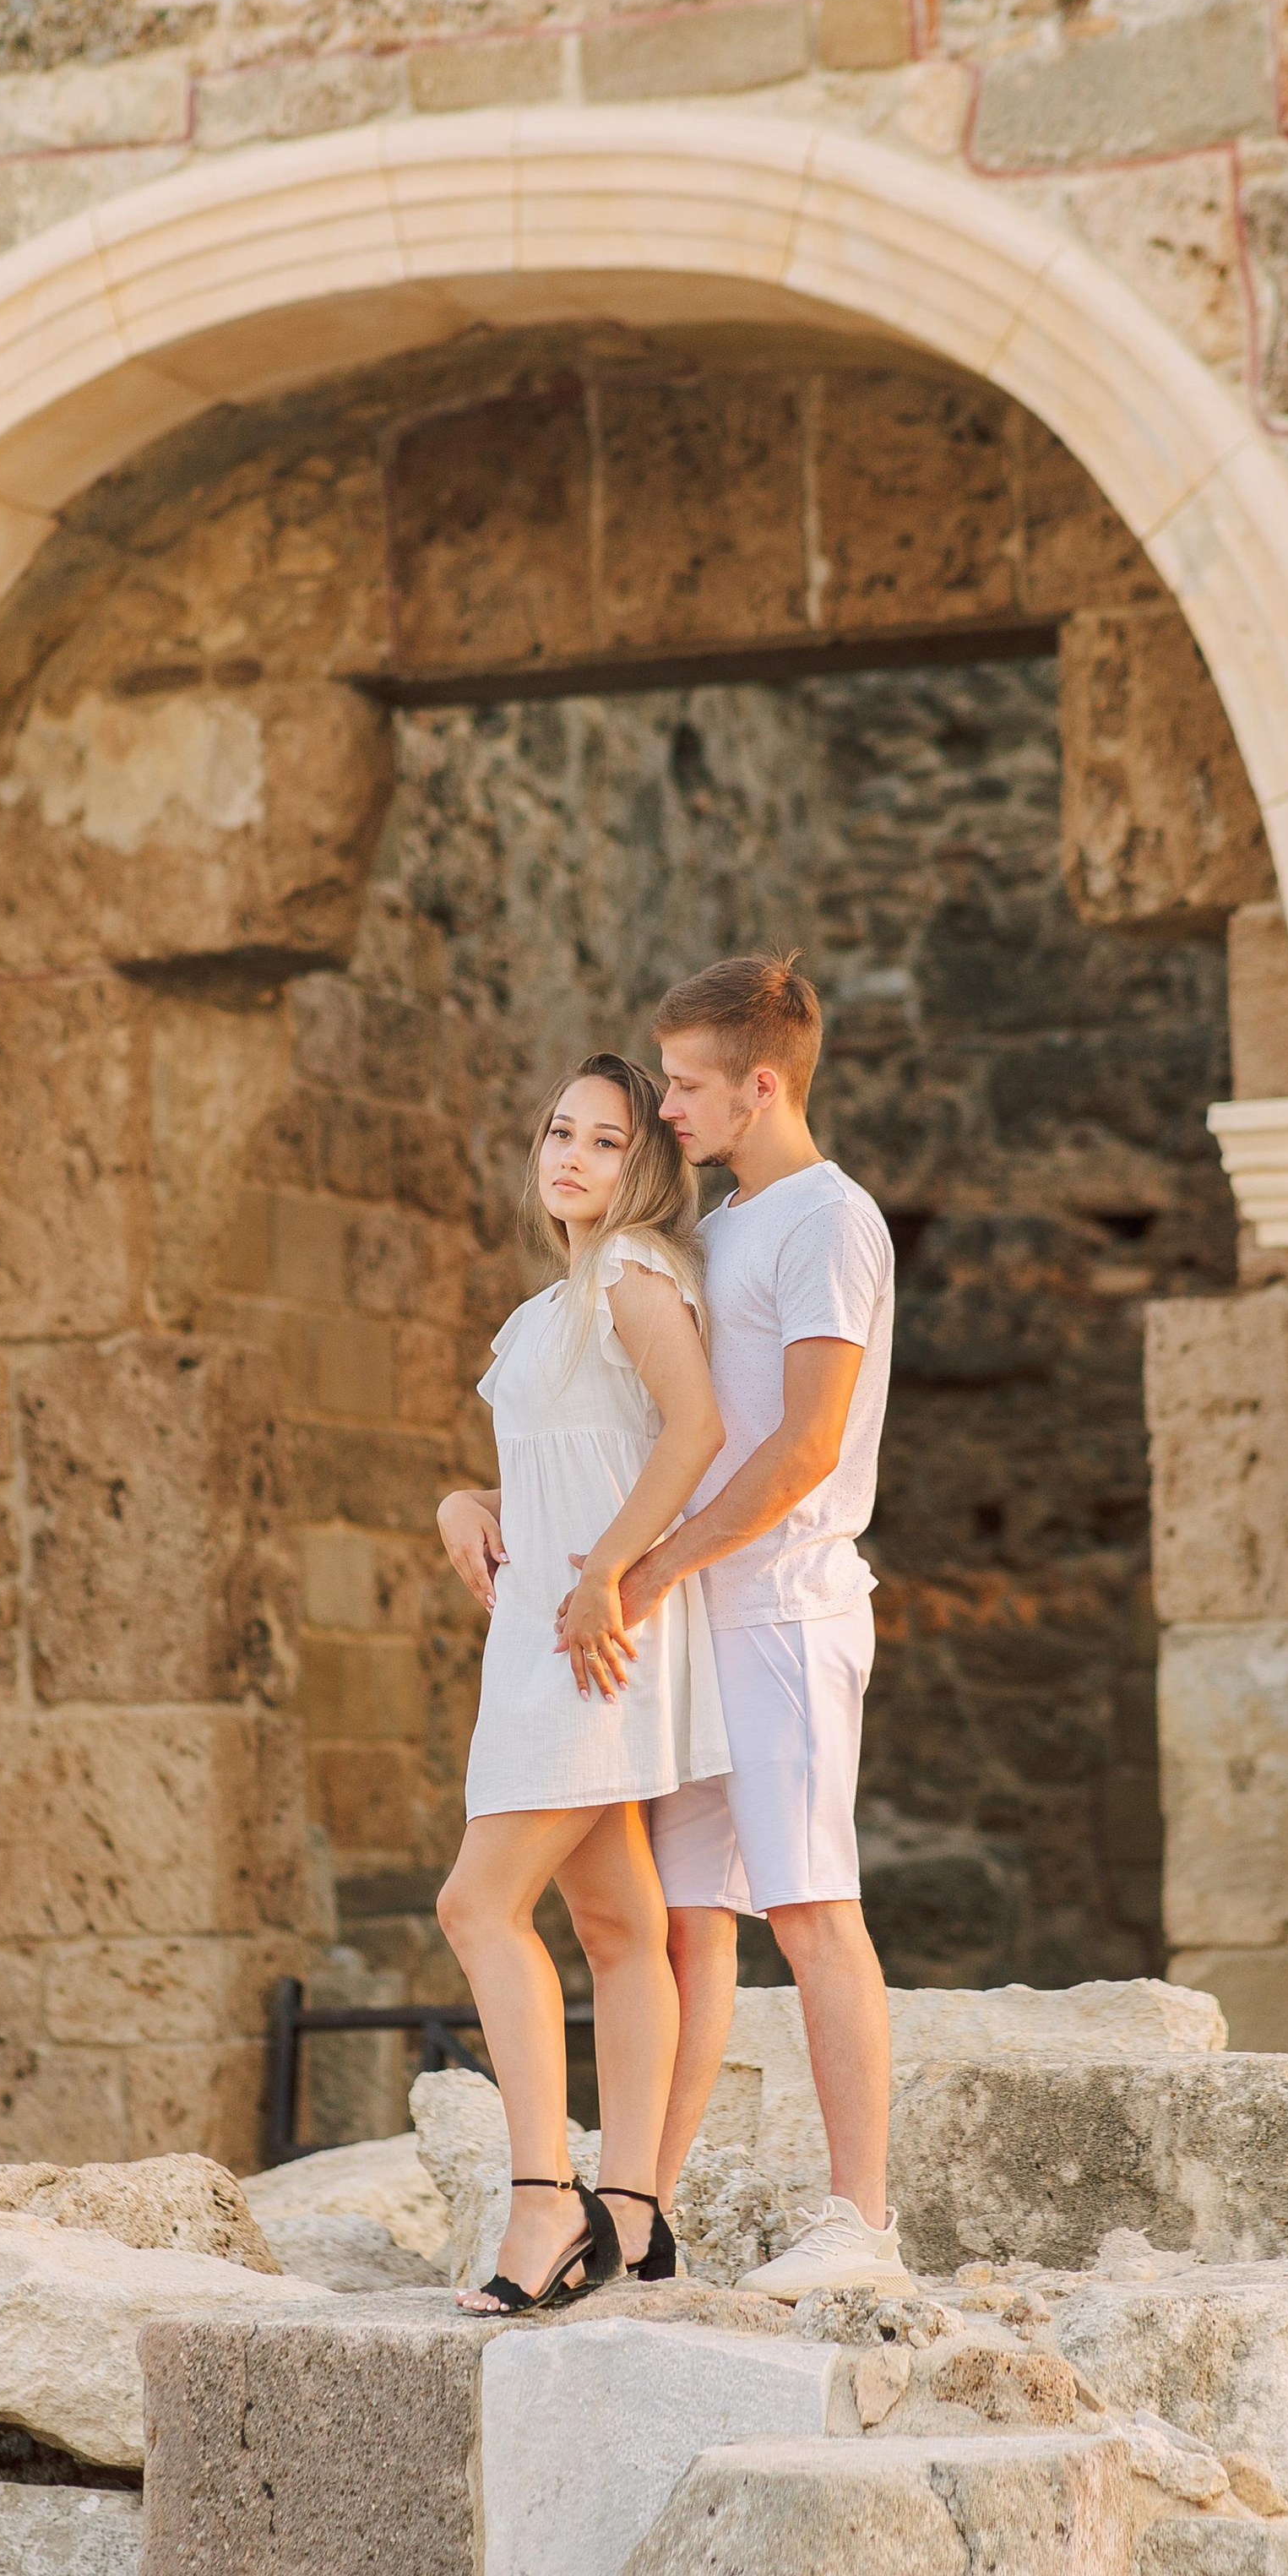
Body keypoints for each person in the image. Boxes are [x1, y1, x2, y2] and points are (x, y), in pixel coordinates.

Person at [562, 953, 911, 2298]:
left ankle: (858, 2226)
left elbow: (807, 1447)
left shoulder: (831, 1219)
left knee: (813, 1911)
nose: (667, 1114)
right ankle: (637, 2213)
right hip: (700, 1617)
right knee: (687, 1925)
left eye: (691, 1087)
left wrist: (649, 1574)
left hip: (786, 1615)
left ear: (763, 1084)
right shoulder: (718, 1231)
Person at [432, 1052, 731, 2317]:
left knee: (476, 1905)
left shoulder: (632, 1276)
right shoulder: (538, 1317)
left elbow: (696, 1431)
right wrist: (466, 1502)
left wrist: (612, 1571)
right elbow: (573, 1469)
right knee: (616, 1926)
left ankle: (545, 2198)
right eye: (561, 1131)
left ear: (646, 1166)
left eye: (608, 1142)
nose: (574, 1157)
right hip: (541, 1642)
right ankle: (636, 2211)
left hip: (592, 1638)